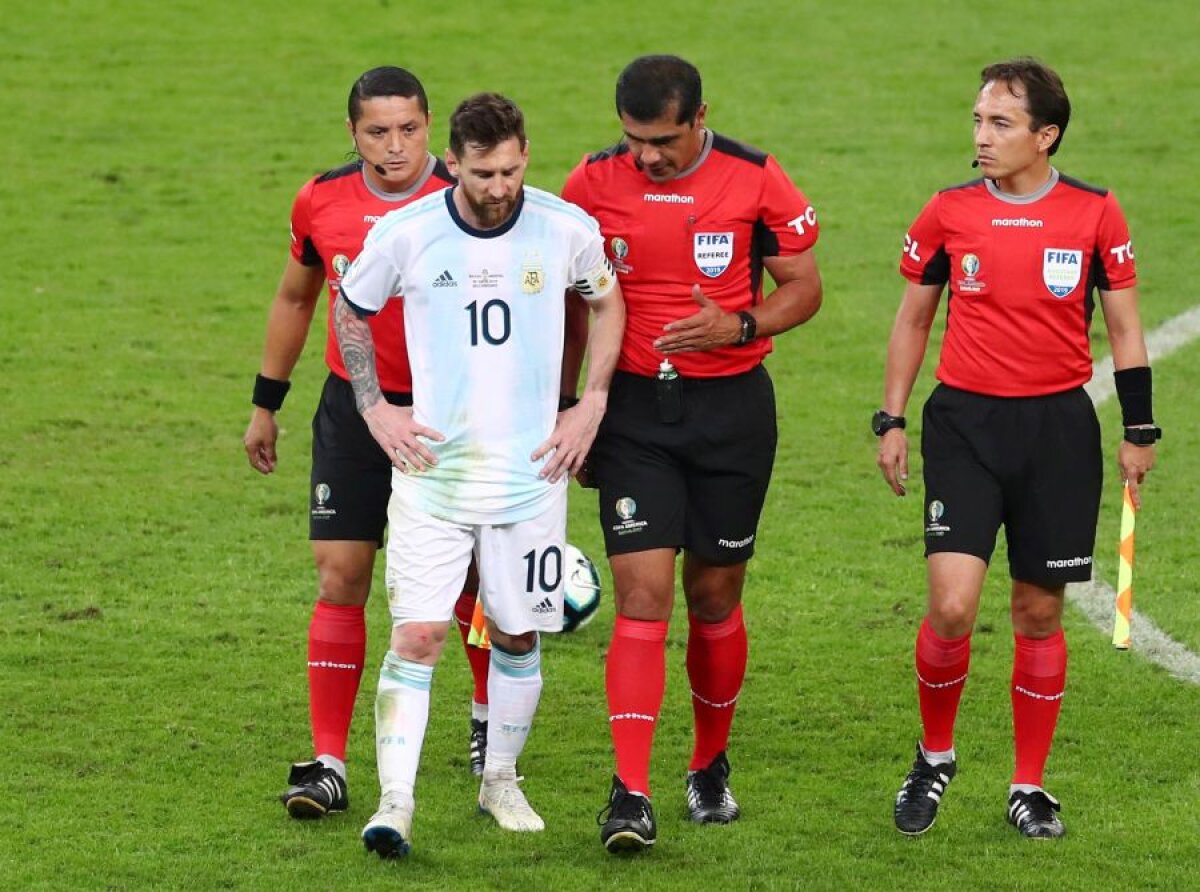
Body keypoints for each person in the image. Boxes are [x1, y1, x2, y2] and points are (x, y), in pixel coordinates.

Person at [334, 92, 625, 858]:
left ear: (526, 152)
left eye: (512, 169)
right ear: (453, 162)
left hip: (532, 478)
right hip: (433, 476)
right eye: (484, 173)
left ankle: (500, 778)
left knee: (520, 634)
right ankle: (396, 801)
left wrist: (589, 403)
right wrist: (374, 408)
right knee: (422, 633)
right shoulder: (408, 233)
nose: (501, 187)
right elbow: (350, 307)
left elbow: (608, 302)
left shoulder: (565, 229)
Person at [876, 57, 1159, 839]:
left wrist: (1139, 429)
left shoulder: (1097, 215)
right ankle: (935, 758)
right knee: (952, 604)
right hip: (964, 426)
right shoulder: (949, 211)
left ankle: (1028, 786)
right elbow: (912, 320)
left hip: (1058, 432)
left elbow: (1128, 329)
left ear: (1046, 135)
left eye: (1000, 123)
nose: (982, 136)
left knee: (1038, 613)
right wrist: (890, 418)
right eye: (977, 120)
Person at [561, 54, 823, 853]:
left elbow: (804, 287)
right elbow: (568, 298)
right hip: (634, 411)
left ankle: (708, 766)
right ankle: (630, 790)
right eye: (635, 140)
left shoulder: (756, 178)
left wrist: (741, 325)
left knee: (714, 594)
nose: (648, 157)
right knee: (644, 592)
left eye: (665, 140)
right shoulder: (589, 184)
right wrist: (572, 403)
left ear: (701, 116)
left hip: (732, 412)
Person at [242, 67, 493, 822]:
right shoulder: (321, 198)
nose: (394, 146)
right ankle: (328, 761)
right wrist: (265, 404)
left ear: (430, 127)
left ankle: (487, 722)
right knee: (340, 575)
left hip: (451, 416)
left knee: (474, 583)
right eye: (377, 131)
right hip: (354, 410)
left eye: (409, 129)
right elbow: (296, 295)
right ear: (352, 132)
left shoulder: (468, 195)